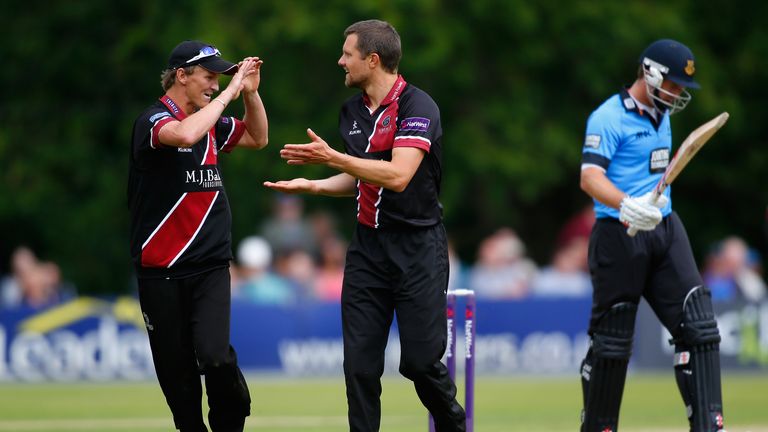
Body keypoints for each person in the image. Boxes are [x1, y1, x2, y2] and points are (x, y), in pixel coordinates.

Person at [264, 19, 466, 432]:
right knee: (359, 367)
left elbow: (397, 175)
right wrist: (315, 186)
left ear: (373, 60)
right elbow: (362, 176)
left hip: (418, 249)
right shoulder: (352, 111)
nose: (340, 61)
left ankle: (455, 424)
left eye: (348, 54)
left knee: (419, 363)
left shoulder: (418, 106)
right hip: (367, 252)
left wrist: (334, 158)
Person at [579, 39, 725, 431]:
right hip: (619, 234)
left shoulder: (663, 114)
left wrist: (651, 210)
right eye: (673, 84)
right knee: (612, 344)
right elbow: (589, 177)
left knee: (700, 328)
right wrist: (626, 204)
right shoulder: (607, 117)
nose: (677, 94)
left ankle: (710, 424)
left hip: (665, 229)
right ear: (650, 72)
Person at [127, 40, 268, 432]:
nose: (213, 84)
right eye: (208, 76)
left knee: (216, 358)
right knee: (180, 388)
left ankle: (233, 416)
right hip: (160, 271)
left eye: (218, 78)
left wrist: (250, 95)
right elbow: (186, 135)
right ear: (181, 75)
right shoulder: (153, 120)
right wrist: (229, 94)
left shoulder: (212, 119)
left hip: (209, 266)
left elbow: (258, 138)